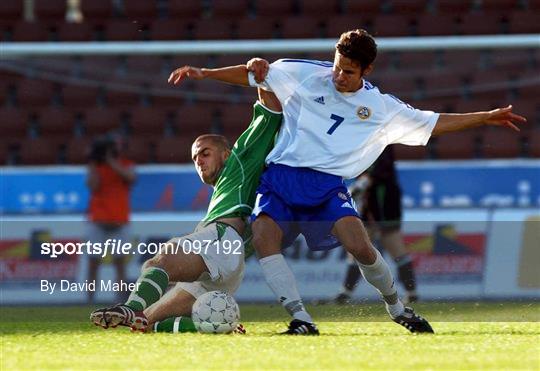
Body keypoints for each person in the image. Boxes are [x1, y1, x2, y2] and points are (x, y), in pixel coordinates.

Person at [168, 28, 526, 335]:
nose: (339, 76)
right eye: (338, 67)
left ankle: (398, 308)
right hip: (280, 176)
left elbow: (432, 123)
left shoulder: (381, 106)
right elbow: (256, 75)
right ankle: (300, 318)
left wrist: (485, 118)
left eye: (349, 72)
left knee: (362, 247)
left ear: (367, 70)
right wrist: (205, 72)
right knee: (264, 239)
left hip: (325, 184)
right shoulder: (304, 73)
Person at [90, 86, 283, 332]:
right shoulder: (230, 188)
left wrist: (263, 79)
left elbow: (268, 114)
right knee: (144, 323)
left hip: (222, 239)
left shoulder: (239, 162)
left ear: (226, 154)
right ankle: (222, 326)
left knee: (160, 260)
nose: (199, 161)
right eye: (194, 158)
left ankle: (129, 307)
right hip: (230, 262)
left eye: (205, 153)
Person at [332, 145, 418, 305]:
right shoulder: (365, 137)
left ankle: (411, 292)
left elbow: (380, 169)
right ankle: (345, 292)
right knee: (358, 246)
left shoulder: (380, 138)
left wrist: (361, 184)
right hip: (370, 199)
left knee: (393, 244)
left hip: (384, 198)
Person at [86, 135, 136, 303]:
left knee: (120, 264)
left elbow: (130, 177)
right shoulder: (96, 166)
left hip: (119, 220)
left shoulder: (125, 163)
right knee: (93, 263)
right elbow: (92, 186)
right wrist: (94, 163)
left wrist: (111, 161)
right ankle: (89, 300)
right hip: (98, 220)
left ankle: (120, 301)